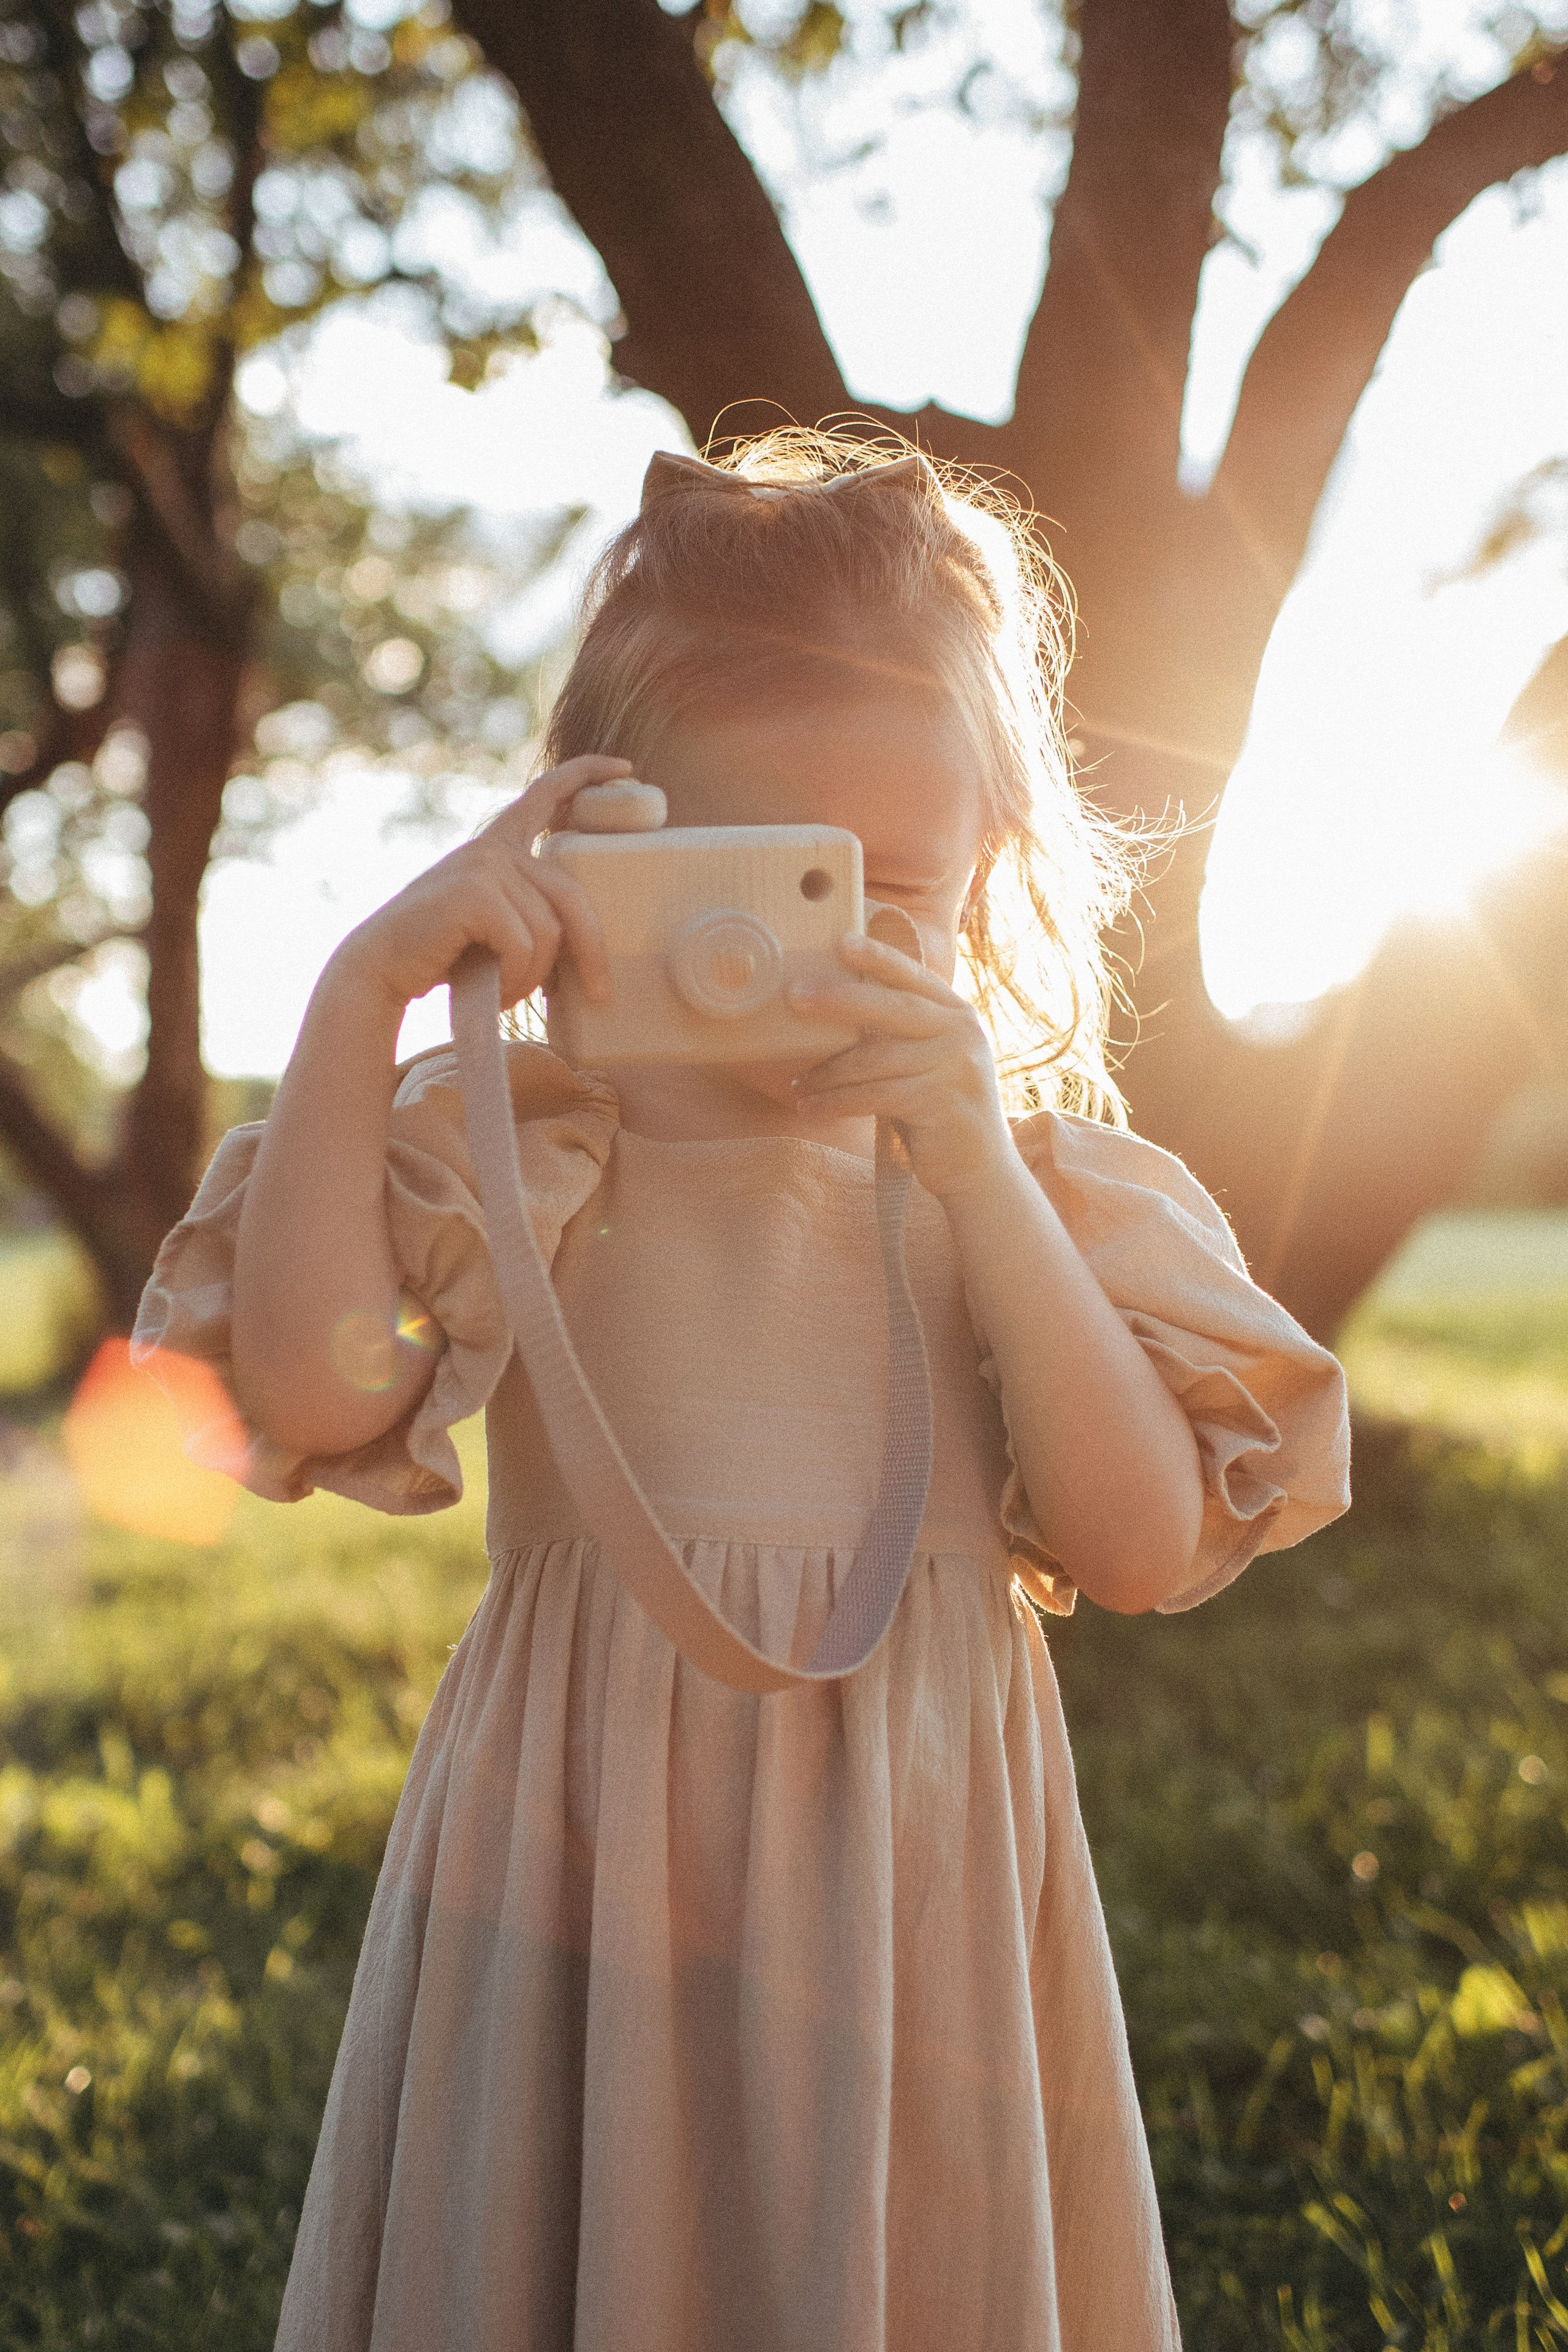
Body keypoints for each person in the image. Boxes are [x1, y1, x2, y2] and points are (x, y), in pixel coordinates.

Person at [134, 432, 1351, 2352]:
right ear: (602, 847)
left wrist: (976, 1175)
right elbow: (309, 1390)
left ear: (991, 880)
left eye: (905, 897)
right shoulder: (521, 1148)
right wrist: (368, 990)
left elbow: (1134, 1547)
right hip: (579, 1875)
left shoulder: (1029, 1190)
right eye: (774, 879)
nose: (842, 950)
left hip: (914, 1876)